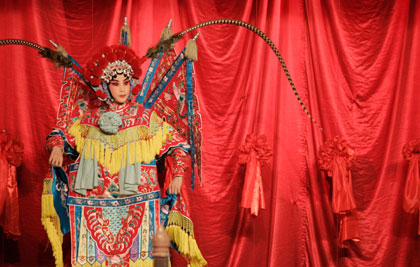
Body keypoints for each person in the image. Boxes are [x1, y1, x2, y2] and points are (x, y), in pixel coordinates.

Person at [42, 44, 206, 267]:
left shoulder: (145, 119)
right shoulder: (89, 119)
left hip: (137, 207)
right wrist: (58, 148)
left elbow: (178, 145)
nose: (122, 89)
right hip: (94, 206)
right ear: (105, 86)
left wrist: (178, 174)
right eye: (115, 83)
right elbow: (58, 133)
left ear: (132, 84)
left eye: (126, 83)